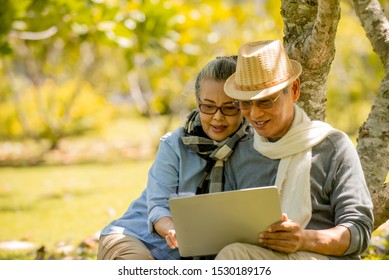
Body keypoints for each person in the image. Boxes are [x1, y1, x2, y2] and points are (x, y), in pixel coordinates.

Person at [218, 40, 374, 260]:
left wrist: (303, 239)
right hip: (259, 260)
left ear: (293, 90)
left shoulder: (333, 147)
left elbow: (359, 232)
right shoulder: (240, 152)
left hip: (322, 263)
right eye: (245, 103)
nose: (254, 115)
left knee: (233, 255)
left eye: (265, 102)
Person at [97, 56, 252, 260]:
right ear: (198, 103)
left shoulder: (253, 147)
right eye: (208, 106)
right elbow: (158, 206)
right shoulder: (173, 145)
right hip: (137, 237)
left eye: (230, 107)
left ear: (243, 106)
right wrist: (172, 229)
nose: (217, 117)